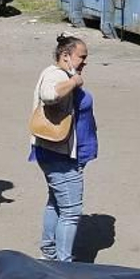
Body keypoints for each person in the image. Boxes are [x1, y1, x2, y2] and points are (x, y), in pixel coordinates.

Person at [31, 34, 98, 261]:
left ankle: (49, 253)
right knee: (71, 212)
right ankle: (63, 263)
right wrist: (73, 82)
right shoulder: (56, 74)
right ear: (66, 56)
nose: (85, 62)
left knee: (56, 203)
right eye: (82, 57)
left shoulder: (64, 73)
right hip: (59, 156)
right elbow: (48, 95)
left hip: (59, 154)